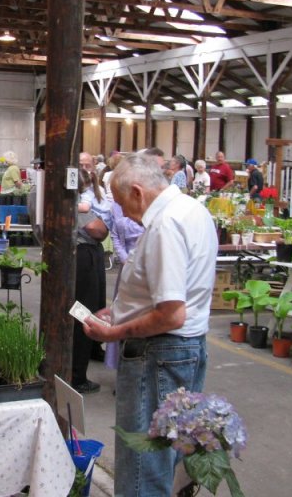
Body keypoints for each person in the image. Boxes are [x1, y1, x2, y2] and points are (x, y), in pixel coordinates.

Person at [84, 153, 216, 496]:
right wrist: (122, 310)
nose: (123, 212)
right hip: (181, 349)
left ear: (138, 192)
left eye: (122, 202)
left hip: (159, 354)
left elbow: (171, 314)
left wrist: (113, 333)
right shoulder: (192, 209)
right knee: (166, 453)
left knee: (144, 465)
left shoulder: (165, 226)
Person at [72, 168, 109, 394]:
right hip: (83, 256)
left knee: (83, 309)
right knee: (82, 312)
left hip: (76, 256)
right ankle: (76, 375)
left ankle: (90, 351)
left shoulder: (39, 191)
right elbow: (96, 229)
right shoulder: (71, 202)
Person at [109, 200, 144, 265]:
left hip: (144, 257)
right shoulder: (116, 205)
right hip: (126, 258)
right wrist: (124, 257)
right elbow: (115, 235)